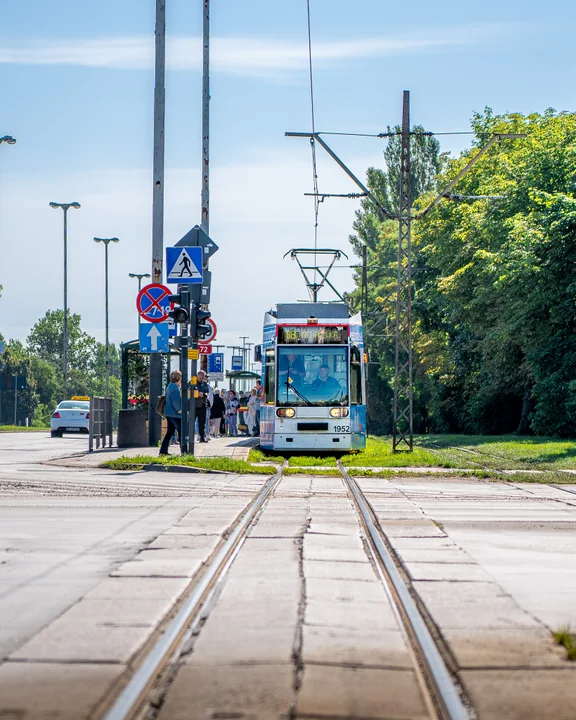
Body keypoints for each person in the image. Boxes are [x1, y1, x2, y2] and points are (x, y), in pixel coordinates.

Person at [159, 370, 182, 455]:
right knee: (181, 431)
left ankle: (163, 451)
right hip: (175, 414)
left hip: (169, 413)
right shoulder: (175, 389)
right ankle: (184, 451)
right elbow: (176, 403)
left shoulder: (169, 386)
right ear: (178, 378)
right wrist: (180, 410)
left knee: (170, 432)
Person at [193, 370, 211, 443]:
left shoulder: (204, 384)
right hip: (193, 405)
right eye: (200, 378)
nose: (201, 379)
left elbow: (206, 392)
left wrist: (202, 394)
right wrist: (197, 394)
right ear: (197, 376)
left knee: (202, 423)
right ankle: (188, 437)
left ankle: (202, 438)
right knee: (191, 422)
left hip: (202, 405)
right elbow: (189, 391)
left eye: (202, 378)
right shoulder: (193, 382)